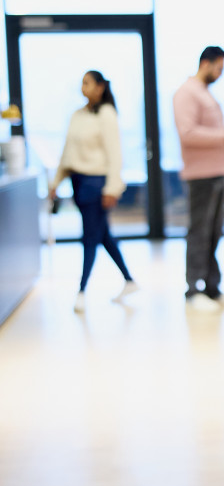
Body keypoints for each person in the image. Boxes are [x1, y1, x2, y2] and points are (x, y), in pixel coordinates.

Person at [50, 71, 139, 313]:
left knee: (90, 237)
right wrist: (55, 181)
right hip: (78, 182)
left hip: (97, 184)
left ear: (100, 87)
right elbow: (67, 152)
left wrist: (112, 188)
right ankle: (129, 281)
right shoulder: (77, 115)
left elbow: (115, 154)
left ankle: (81, 291)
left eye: (87, 83)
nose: (83, 87)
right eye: (82, 83)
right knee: (103, 235)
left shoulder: (107, 114)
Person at [172, 46, 224, 311]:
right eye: (219, 68)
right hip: (200, 176)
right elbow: (188, 133)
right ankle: (193, 290)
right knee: (199, 233)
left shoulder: (205, 93)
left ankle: (212, 289)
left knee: (215, 233)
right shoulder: (187, 93)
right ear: (205, 63)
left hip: (218, 172)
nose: (220, 74)